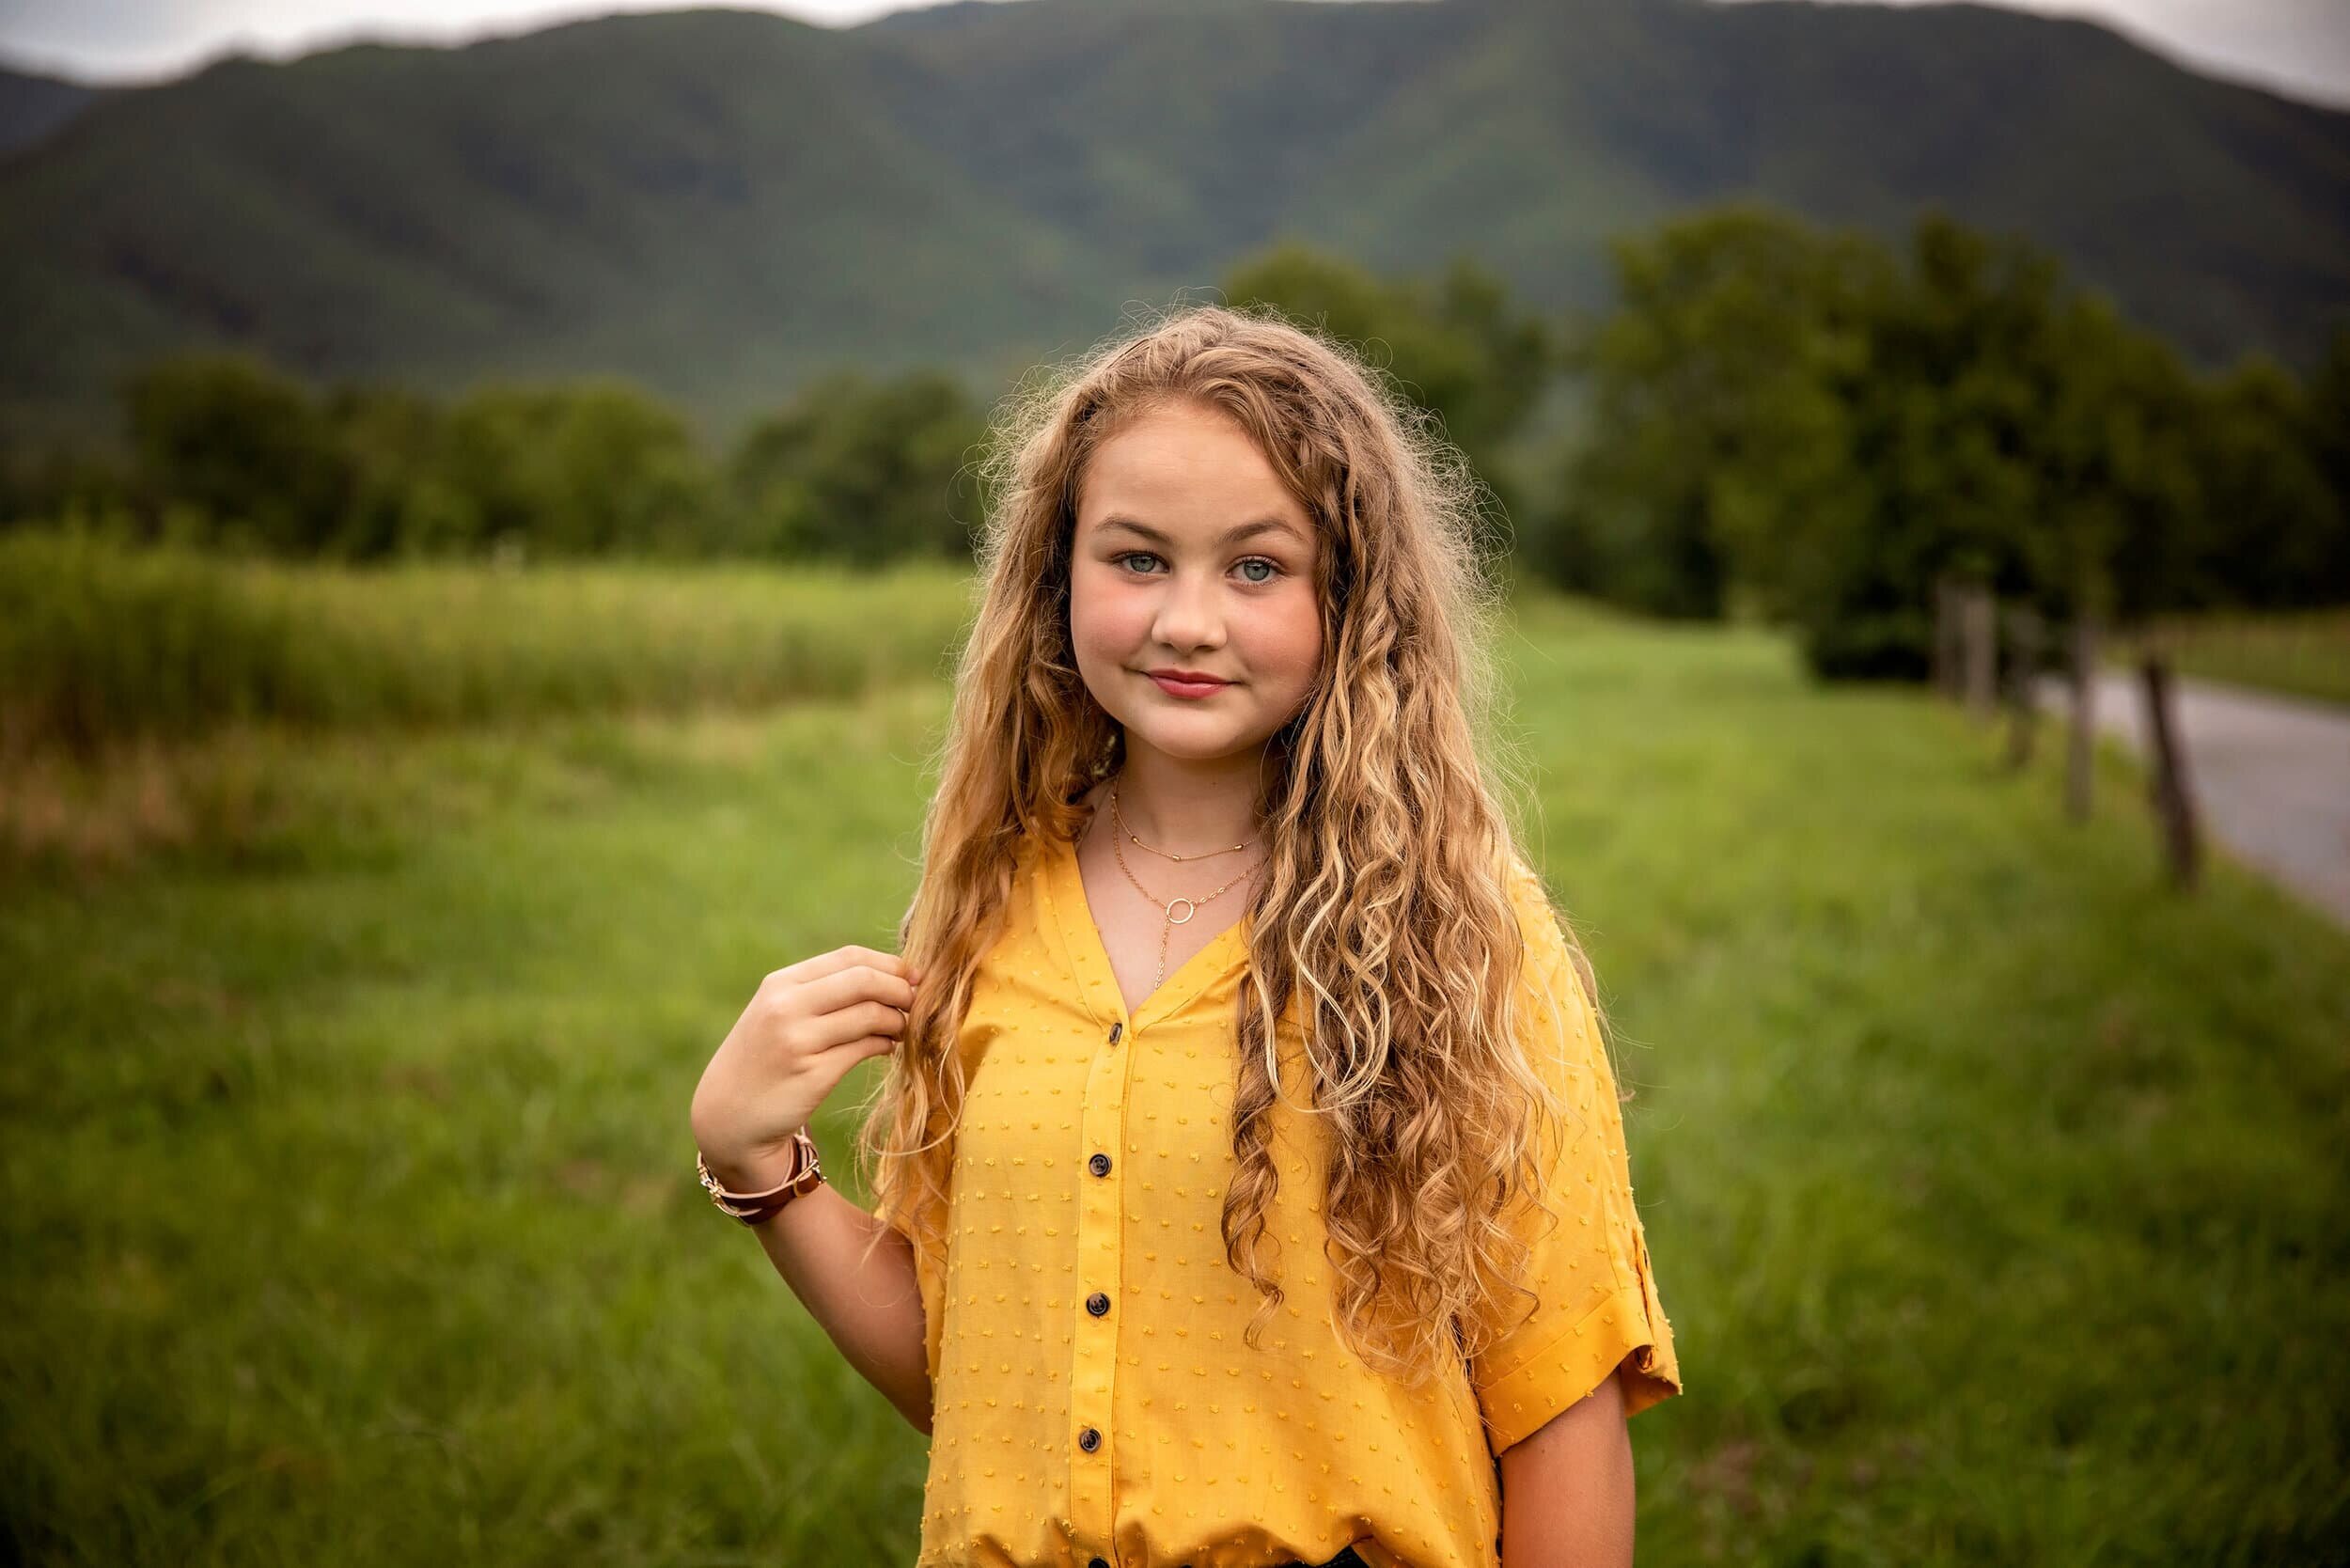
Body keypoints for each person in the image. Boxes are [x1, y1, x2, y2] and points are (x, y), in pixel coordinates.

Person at [688, 302, 1683, 1568]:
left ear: (1352, 597)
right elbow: (981, 1380)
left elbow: (1561, 1407)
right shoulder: (991, 914)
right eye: (1138, 559)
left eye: (1256, 567)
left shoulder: (1465, 938)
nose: (1189, 621)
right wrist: (756, 1158)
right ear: (1058, 578)